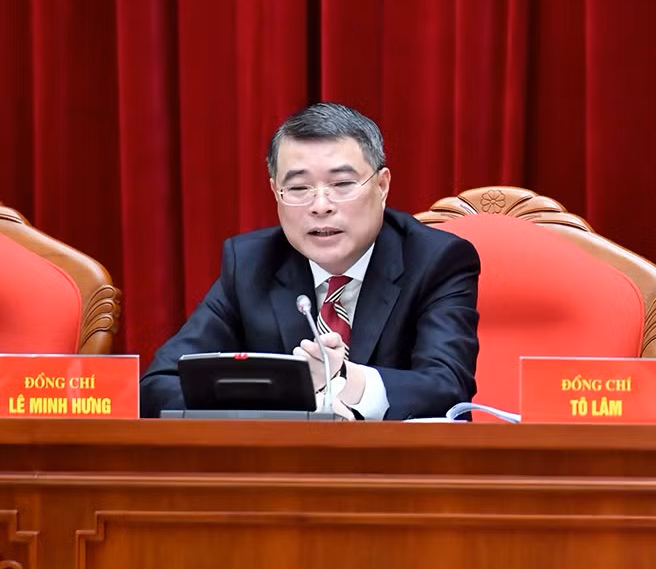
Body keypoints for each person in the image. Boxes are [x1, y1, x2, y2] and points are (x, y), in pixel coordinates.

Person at [140, 103, 480, 420]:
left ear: (382, 185)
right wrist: (289, 401)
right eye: (300, 188)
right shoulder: (251, 264)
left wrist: (350, 381)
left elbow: (448, 389)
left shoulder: (437, 260)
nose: (321, 206)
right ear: (276, 192)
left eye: (342, 184)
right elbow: (159, 386)